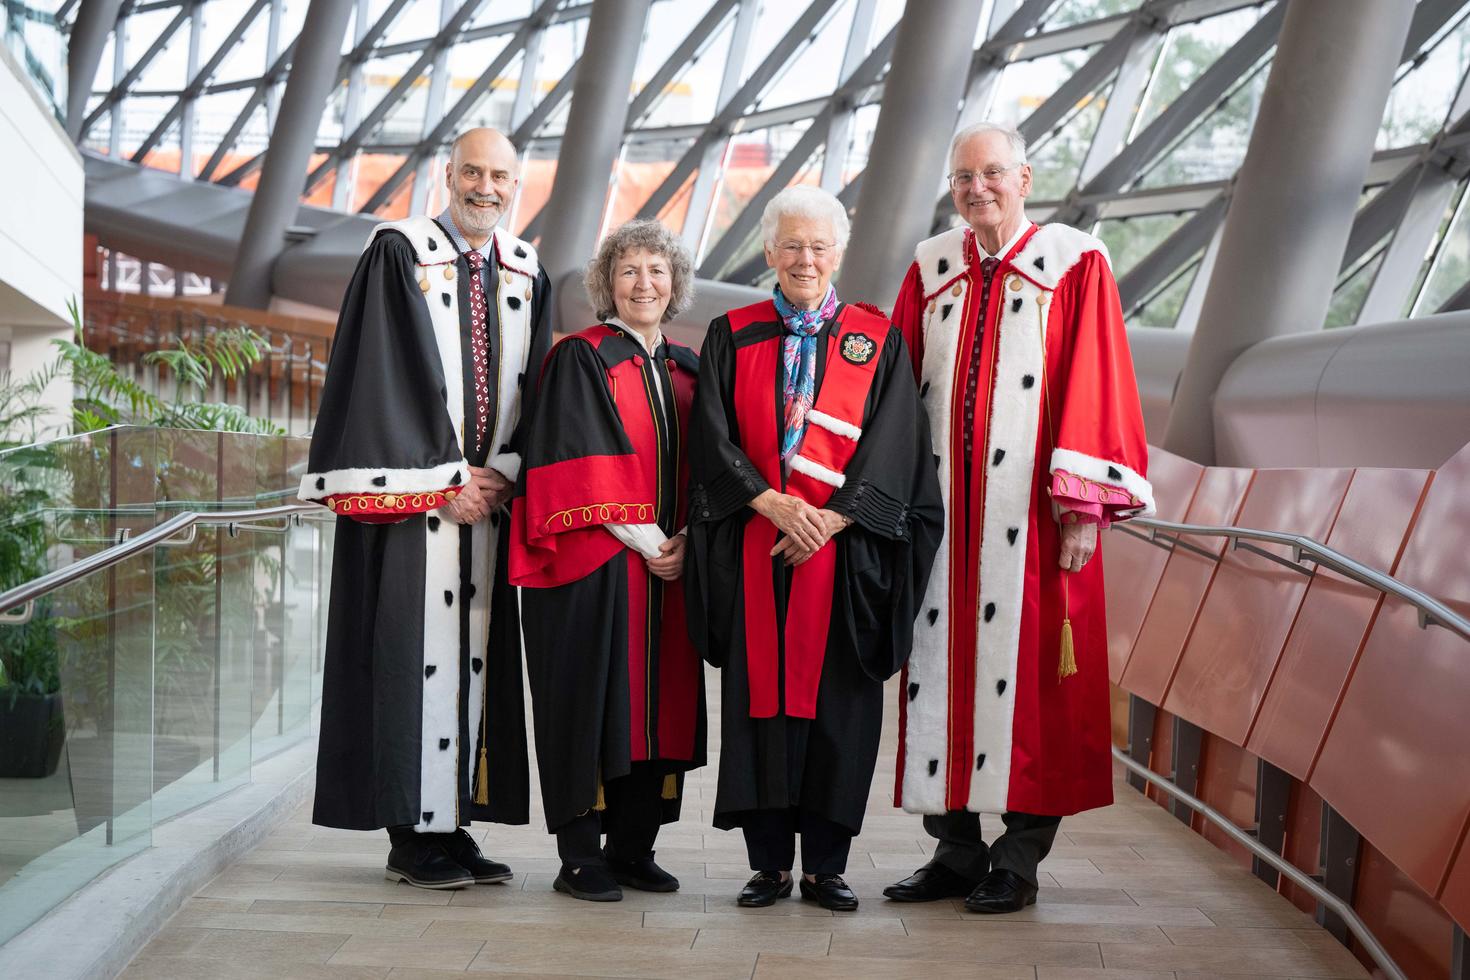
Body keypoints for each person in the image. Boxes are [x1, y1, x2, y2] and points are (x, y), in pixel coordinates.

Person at [883, 122, 1154, 913]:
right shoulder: (932, 268)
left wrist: (1081, 511)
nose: (978, 189)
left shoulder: (1073, 262)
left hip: (1033, 525)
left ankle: (1019, 859)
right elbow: (896, 391)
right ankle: (956, 851)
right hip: (942, 525)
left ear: (1025, 177)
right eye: (964, 177)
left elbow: (1098, 378)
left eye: (992, 173)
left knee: (1035, 684)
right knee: (938, 673)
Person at [299, 127, 551, 889]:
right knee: (410, 655)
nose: (486, 187)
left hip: (488, 507)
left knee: (474, 661)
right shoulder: (399, 251)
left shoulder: (525, 267)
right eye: (472, 171)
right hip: (414, 506)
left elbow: (533, 383)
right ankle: (411, 833)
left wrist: (504, 471)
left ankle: (454, 821)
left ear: (517, 185)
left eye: (500, 176)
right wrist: (448, 477)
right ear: (448, 175)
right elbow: (385, 373)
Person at [686, 185, 943, 913]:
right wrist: (768, 503)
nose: (805, 258)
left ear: (839, 254)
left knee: (839, 711)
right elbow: (712, 438)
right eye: (792, 245)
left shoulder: (876, 337)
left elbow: (896, 443)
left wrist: (831, 519)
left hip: (844, 558)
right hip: (756, 551)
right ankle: (767, 864)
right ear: (770, 251)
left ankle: (827, 865)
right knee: (760, 707)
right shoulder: (732, 334)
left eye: (819, 246)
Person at [509, 219, 704, 903]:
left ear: (674, 282)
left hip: (669, 573)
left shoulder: (687, 366)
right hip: (593, 570)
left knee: (657, 710)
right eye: (629, 271)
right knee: (589, 704)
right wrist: (656, 544)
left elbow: (715, 465)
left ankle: (631, 847)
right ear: (606, 284)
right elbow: (578, 465)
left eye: (656, 270)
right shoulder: (581, 357)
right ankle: (579, 856)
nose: (643, 283)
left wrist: (688, 541)